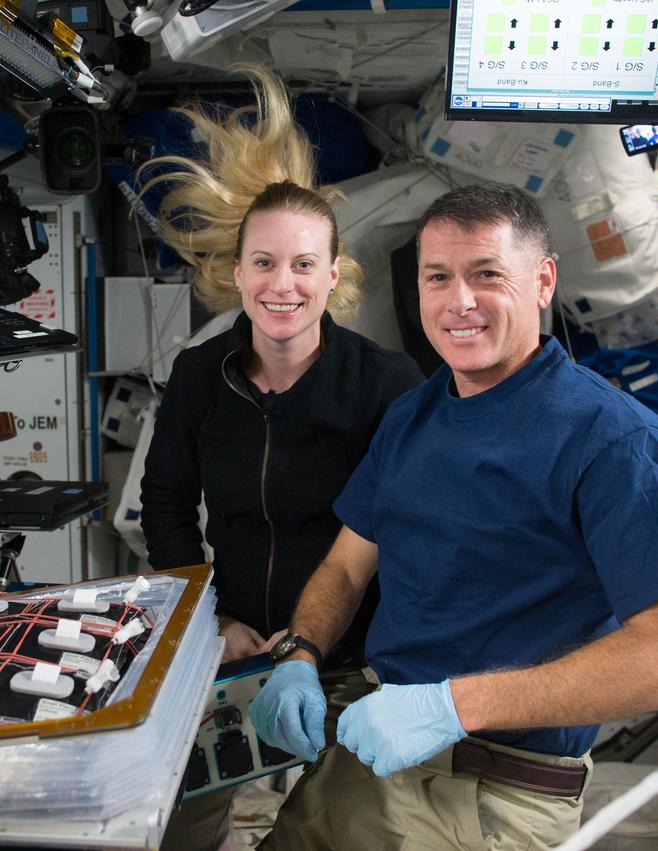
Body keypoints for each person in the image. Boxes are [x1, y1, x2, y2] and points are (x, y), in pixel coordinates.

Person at [248, 182, 658, 849]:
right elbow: (346, 563)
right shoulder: (412, 417)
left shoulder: (615, 442)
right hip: (364, 755)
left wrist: (448, 706)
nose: (459, 302)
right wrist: (299, 653)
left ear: (542, 282)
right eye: (437, 277)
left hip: (491, 792)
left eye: (486, 275)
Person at [137, 67, 423, 851]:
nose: (282, 284)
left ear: (333, 275)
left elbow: (405, 534)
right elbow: (164, 505)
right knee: (175, 825)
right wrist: (210, 622)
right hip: (232, 643)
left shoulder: (386, 384)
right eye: (263, 263)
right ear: (236, 274)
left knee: (339, 833)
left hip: (351, 658)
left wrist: (321, 649)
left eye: (303, 265)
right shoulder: (202, 374)